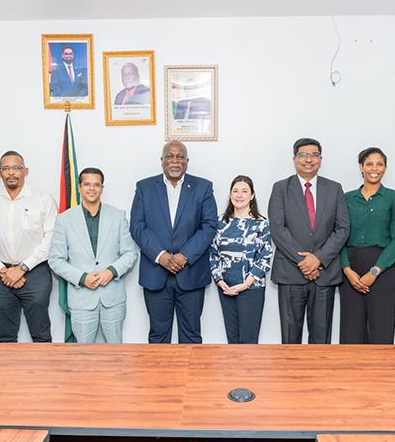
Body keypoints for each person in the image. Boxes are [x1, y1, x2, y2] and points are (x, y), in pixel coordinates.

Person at [130, 141, 218, 344]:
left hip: (191, 274)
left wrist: (184, 256)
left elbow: (209, 226)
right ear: (162, 161)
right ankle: (160, 377)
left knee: (191, 336)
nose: (175, 161)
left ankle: (192, 377)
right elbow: (137, 226)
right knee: (158, 336)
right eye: (170, 156)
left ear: (187, 162)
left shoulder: (203, 187)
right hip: (156, 274)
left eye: (180, 157)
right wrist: (161, 256)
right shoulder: (144, 187)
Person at [268, 138, 350, 344]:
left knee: (321, 340)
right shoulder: (280, 188)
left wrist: (318, 259)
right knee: (290, 337)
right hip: (290, 273)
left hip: (325, 274)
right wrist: (304, 262)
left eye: (313, 155)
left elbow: (342, 228)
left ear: (320, 160)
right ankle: (289, 376)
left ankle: (319, 377)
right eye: (303, 155)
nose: (308, 159)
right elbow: (278, 228)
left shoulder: (334, 188)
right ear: (294, 159)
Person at [0, 151, 58, 343]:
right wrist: (3, 271)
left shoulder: (42, 198)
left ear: (25, 171)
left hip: (35, 272)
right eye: (6, 168)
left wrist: (22, 268)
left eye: (16, 168)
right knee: (4, 337)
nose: (11, 172)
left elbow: (51, 238)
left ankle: (45, 373)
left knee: (41, 335)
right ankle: (7, 374)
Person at [48, 168, 139, 343]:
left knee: (116, 354)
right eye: (87, 184)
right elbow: (55, 259)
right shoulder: (64, 219)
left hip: (112, 298)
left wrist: (110, 272)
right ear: (79, 188)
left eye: (96, 184)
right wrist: (82, 277)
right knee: (82, 357)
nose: (92, 188)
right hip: (81, 298)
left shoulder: (118, 216)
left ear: (102, 188)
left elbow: (130, 253)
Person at [339, 147, 395, 344]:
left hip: (384, 270)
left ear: (385, 168)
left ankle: (380, 374)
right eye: (369, 164)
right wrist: (347, 270)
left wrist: (375, 271)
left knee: (381, 333)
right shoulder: (346, 198)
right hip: (350, 270)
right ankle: (352, 374)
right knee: (351, 333)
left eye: (379, 164)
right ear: (361, 167)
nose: (374, 168)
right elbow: (340, 236)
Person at [209, 175, 273, 344]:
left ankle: (249, 371)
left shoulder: (261, 224)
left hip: (251, 288)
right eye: (235, 191)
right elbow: (212, 254)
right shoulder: (220, 223)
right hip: (226, 288)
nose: (239, 195)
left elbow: (265, 257)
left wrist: (246, 284)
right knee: (232, 340)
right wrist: (219, 280)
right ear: (230, 195)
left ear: (252, 196)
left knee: (248, 342)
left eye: (244, 191)